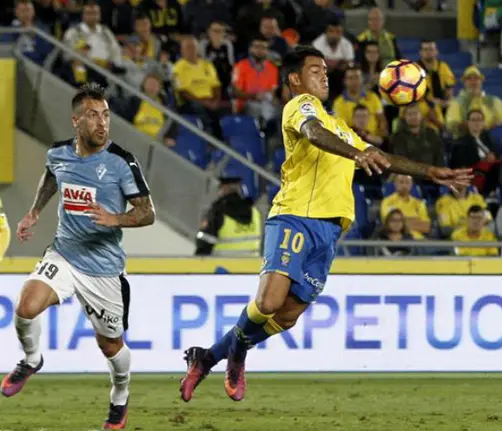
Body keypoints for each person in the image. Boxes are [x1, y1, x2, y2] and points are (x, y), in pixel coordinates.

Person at [179, 46, 472, 402]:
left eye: (324, 69)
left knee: (287, 316)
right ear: (295, 78)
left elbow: (382, 157)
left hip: (330, 230)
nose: (324, 74)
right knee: (269, 301)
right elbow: (313, 132)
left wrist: (431, 173)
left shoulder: (341, 127)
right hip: (296, 215)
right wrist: (355, 154)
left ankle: (209, 356)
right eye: (315, 69)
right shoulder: (301, 107)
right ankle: (237, 353)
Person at [1, 83, 155, 429]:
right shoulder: (58, 153)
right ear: (76, 121)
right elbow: (52, 177)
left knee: (111, 346)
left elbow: (147, 213)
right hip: (65, 254)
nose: (102, 123)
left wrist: (115, 218)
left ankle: (120, 397)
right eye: (93, 116)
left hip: (103, 270)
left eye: (106, 115)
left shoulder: (121, 162)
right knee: (26, 307)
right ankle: (32, 359)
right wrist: (34, 212)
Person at [195, 177, 261, 256]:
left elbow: (205, 241)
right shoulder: (255, 211)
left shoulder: (218, 211)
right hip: (251, 265)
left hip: (224, 265)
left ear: (224, 188)